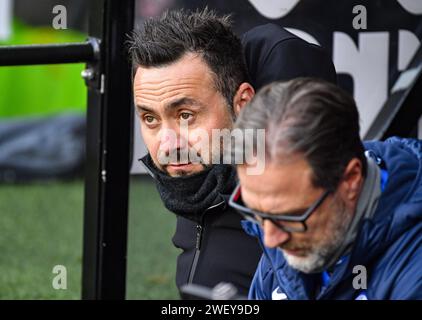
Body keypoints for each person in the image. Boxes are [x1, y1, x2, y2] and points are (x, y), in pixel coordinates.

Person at [127, 8, 337, 298]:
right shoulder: (201, 177)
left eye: (186, 115)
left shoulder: (298, 209)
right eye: (150, 119)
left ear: (243, 103)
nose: (167, 145)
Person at [230, 78, 422, 299]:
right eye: (255, 212)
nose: (270, 240)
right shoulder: (283, 228)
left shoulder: (414, 269)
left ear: (351, 179)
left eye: (290, 216)